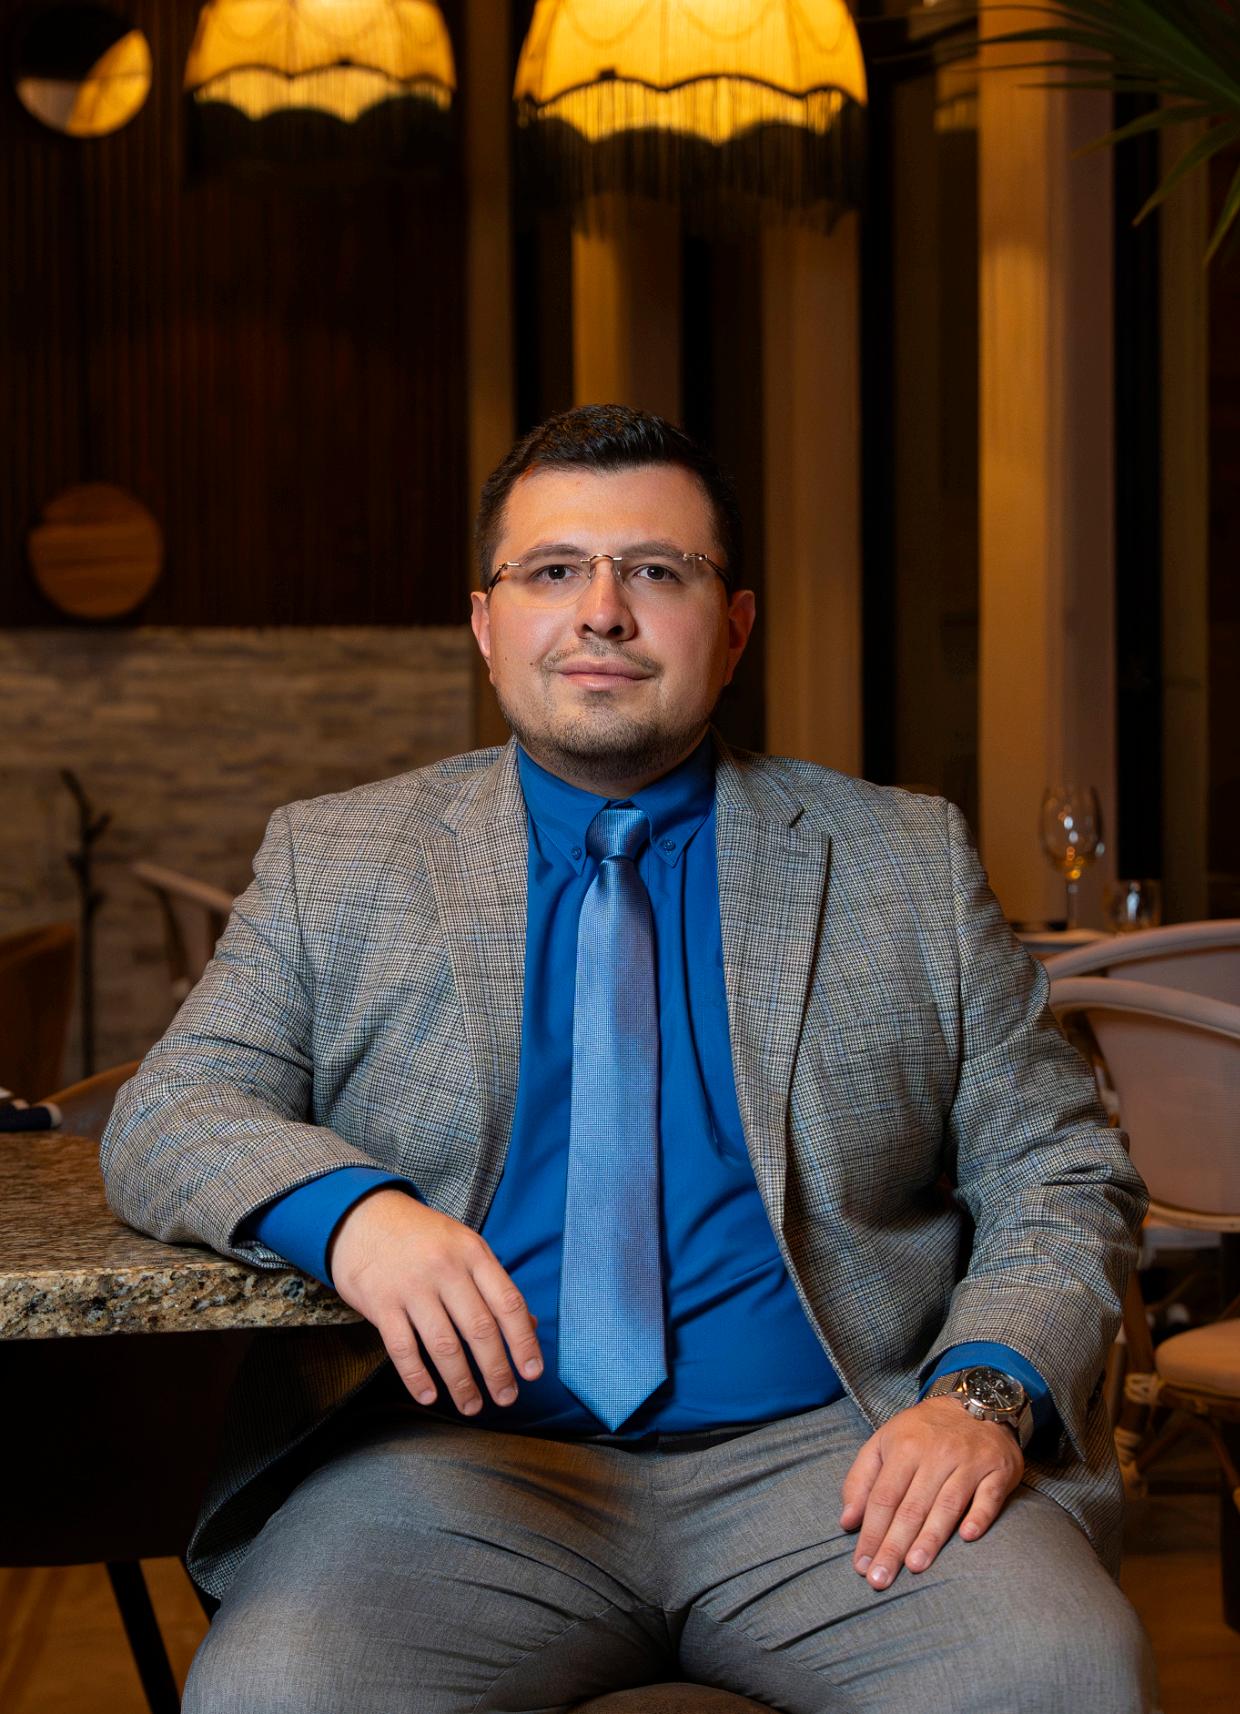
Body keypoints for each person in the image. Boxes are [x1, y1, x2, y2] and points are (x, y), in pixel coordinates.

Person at [102, 405, 1154, 1712]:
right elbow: (172, 1108)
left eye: (657, 570)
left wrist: (980, 1395)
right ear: (487, 625)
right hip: (447, 1471)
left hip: (841, 1458)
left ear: (736, 627)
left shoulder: (904, 858)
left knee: (1061, 1667)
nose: (602, 612)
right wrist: (358, 1217)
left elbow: (1061, 1168)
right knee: (279, 1692)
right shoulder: (340, 858)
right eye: (553, 570)